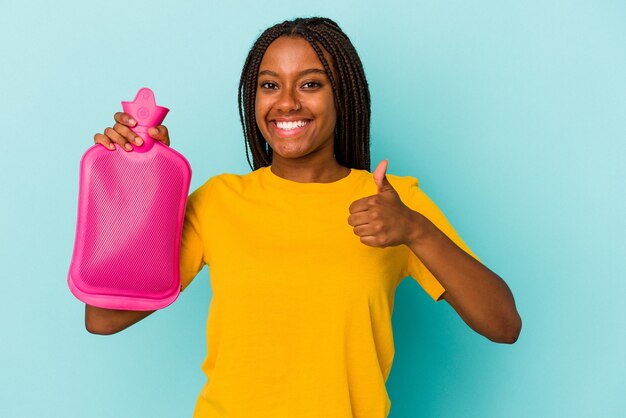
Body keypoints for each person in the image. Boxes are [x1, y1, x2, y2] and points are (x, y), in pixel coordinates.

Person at [87, 17, 521, 418]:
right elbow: (103, 317)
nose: (287, 103)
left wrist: (415, 230)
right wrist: (141, 185)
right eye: (270, 85)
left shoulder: (393, 202)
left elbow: (503, 324)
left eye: (310, 84)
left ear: (342, 95)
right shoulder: (219, 200)